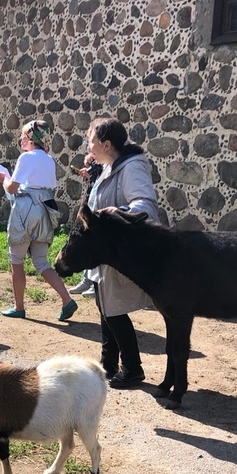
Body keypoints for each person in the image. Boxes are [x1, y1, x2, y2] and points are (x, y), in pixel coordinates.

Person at [85, 117, 159, 388]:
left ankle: (132, 367)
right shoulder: (110, 165)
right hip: (106, 251)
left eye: (91, 141)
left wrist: (115, 213)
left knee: (113, 309)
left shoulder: (132, 167)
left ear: (106, 143)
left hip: (118, 250)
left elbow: (145, 206)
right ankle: (108, 364)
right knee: (105, 305)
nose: (88, 146)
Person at [0, 119, 77, 321]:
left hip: (26, 210)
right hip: (45, 209)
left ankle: (19, 306)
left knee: (16, 260)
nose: (21, 139)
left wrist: (3, 178)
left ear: (31, 137)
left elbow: (12, 188)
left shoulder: (26, 158)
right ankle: (67, 300)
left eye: (23, 135)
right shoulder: (48, 160)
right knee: (41, 261)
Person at [69, 152, 103, 297]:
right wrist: (89, 165)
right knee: (87, 241)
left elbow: (102, 178)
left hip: (99, 204)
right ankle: (87, 280)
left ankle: (96, 284)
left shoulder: (109, 159)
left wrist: (90, 173)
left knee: (96, 243)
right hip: (90, 201)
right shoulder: (96, 158)